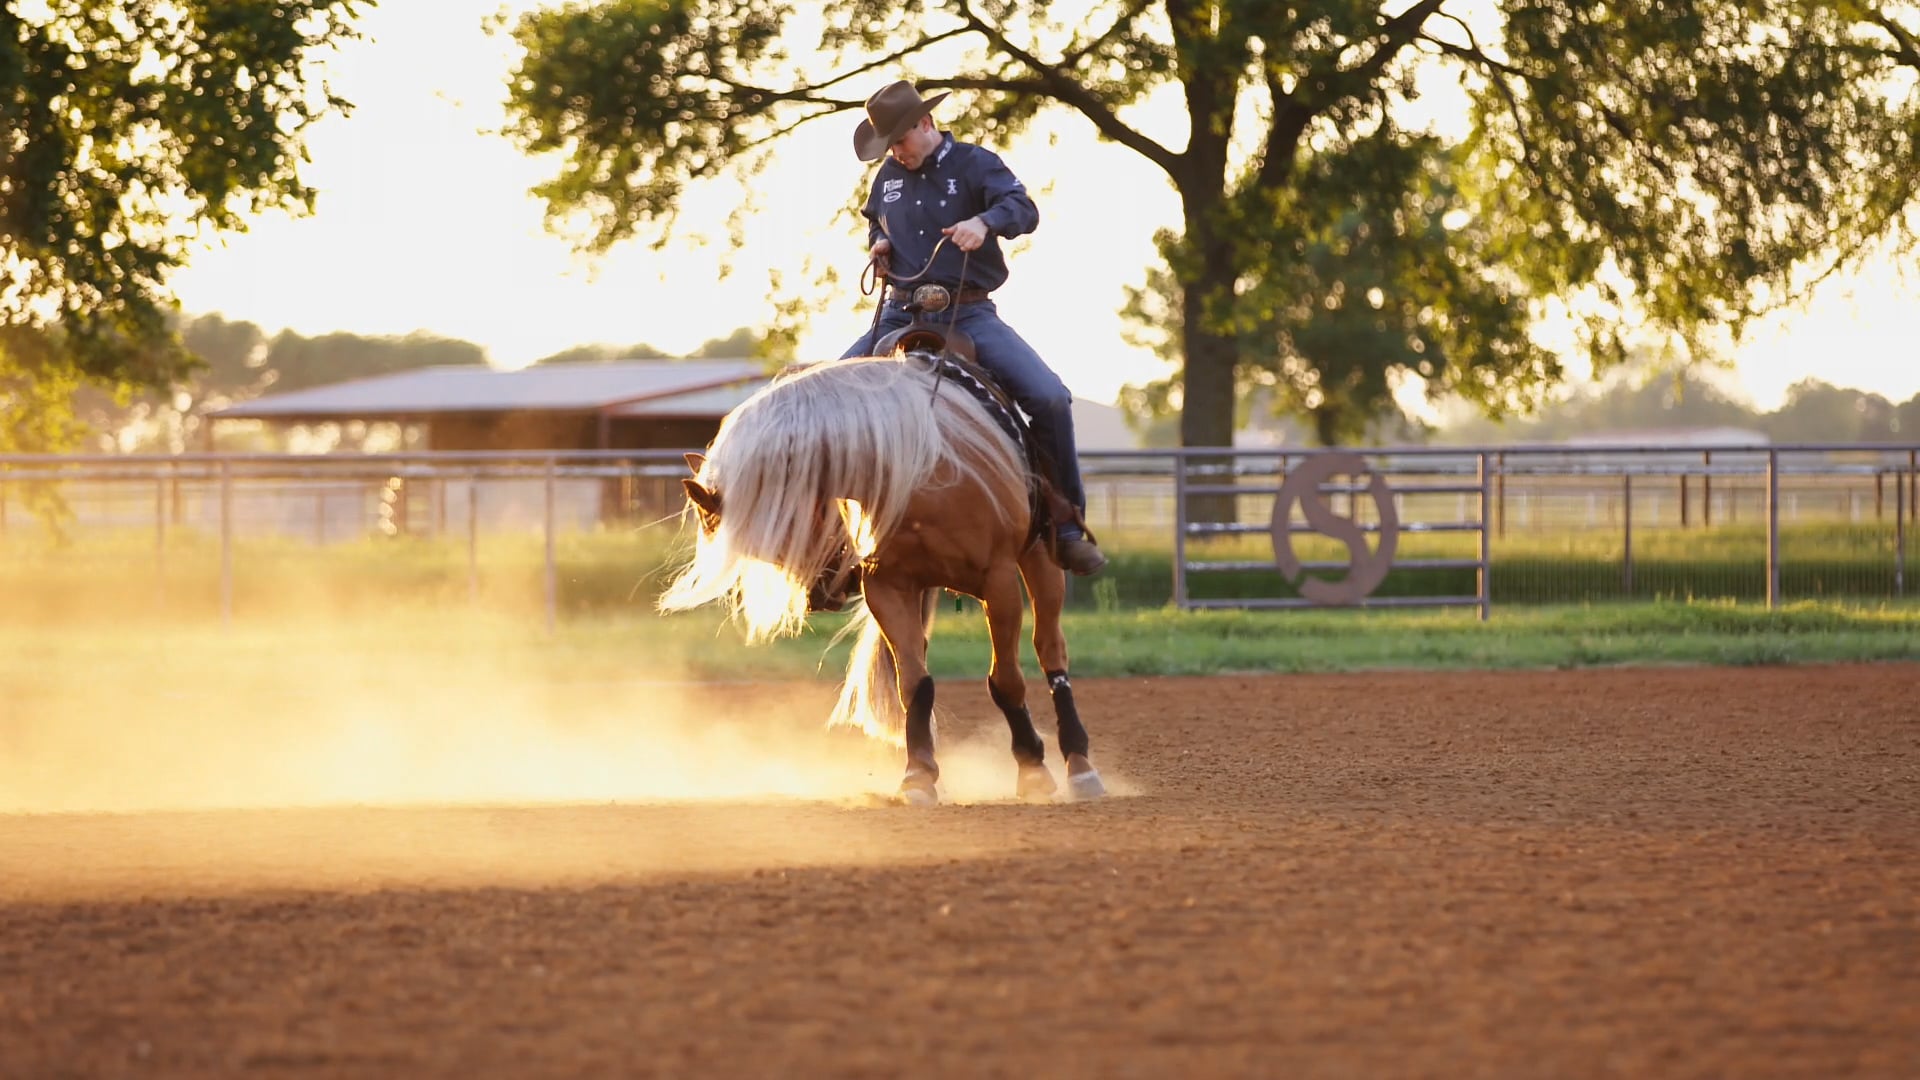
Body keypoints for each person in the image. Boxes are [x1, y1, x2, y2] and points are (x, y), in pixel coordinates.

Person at [840, 79, 1107, 577]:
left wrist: (984, 223)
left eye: (900, 140)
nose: (896, 152)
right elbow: (877, 220)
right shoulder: (888, 177)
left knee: (1050, 398)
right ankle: (837, 543)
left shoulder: (975, 163)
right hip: (899, 312)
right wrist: (878, 244)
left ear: (925, 124)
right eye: (888, 145)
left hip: (968, 312)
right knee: (829, 404)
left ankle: (1067, 525)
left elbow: (1023, 209)